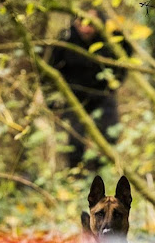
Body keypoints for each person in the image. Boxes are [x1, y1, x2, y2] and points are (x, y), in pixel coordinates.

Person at [48, 9, 133, 170]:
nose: (86, 29)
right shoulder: (66, 39)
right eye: (82, 23)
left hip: (102, 96)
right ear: (75, 22)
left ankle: (97, 170)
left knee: (111, 134)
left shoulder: (109, 38)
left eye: (91, 24)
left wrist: (114, 83)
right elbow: (49, 71)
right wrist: (54, 102)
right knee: (74, 141)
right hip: (73, 98)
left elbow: (125, 59)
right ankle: (76, 175)